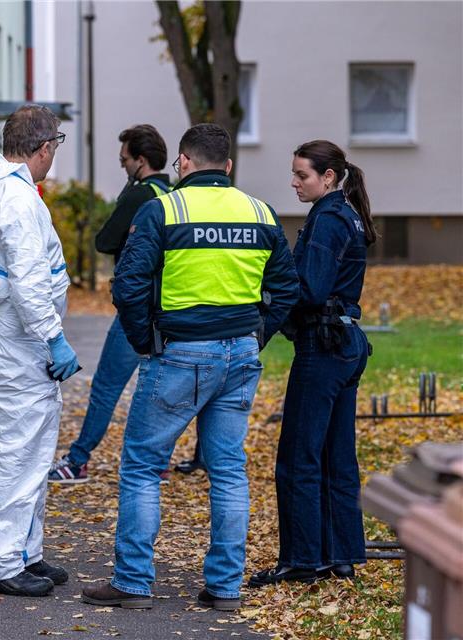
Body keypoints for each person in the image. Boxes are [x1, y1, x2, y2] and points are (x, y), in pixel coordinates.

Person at [81, 123, 299, 611]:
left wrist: (145, 341)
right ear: (227, 167)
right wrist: (257, 334)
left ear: (182, 162)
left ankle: (133, 582)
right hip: (240, 353)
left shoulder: (164, 209)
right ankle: (225, 587)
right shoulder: (260, 212)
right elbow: (286, 288)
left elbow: (128, 284)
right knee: (227, 470)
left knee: (141, 466)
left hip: (179, 351)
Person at [0, 105, 77, 597]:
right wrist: (53, 336)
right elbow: (28, 283)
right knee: (18, 453)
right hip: (14, 335)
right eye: (55, 148)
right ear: (44, 147)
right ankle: (0, 564)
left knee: (22, 448)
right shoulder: (18, 199)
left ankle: (25, 552)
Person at [249, 140, 375, 587]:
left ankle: (303, 561)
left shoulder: (326, 220)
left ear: (328, 177)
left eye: (302, 175)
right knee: (336, 455)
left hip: (323, 347)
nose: (293, 182)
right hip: (345, 343)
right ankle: (340, 556)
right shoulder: (346, 214)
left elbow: (311, 288)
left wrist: (268, 300)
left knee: (299, 457)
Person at [49, 124, 170, 484]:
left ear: (141, 161)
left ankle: (78, 460)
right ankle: (159, 461)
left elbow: (104, 240)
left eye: (124, 161)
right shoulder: (172, 193)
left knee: (105, 387)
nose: (122, 167)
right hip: (168, 305)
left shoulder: (140, 195)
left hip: (137, 307)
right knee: (158, 388)